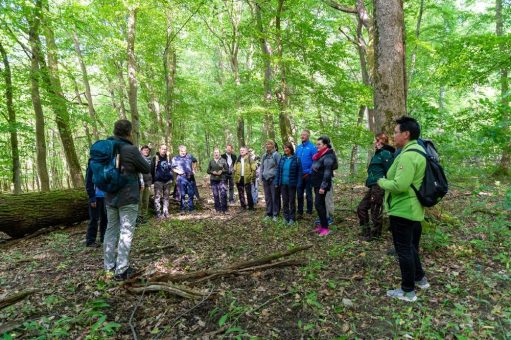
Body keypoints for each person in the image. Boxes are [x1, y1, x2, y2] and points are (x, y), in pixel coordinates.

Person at [377, 116, 429, 302]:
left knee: (404, 250)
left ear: (406, 134)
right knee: (411, 247)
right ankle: (420, 278)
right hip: (414, 208)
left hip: (403, 209)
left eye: (396, 132)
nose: (394, 135)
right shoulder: (419, 151)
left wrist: (381, 181)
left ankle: (408, 291)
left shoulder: (408, 155)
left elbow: (400, 185)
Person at [103, 119, 151, 280]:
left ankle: (109, 268)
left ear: (114, 131)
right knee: (126, 232)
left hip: (110, 196)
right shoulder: (131, 149)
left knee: (110, 230)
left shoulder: (105, 148)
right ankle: (121, 270)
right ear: (129, 133)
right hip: (128, 196)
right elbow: (146, 167)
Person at [357, 133, 395, 241]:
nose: (375, 142)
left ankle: (375, 235)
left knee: (375, 210)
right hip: (373, 186)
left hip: (380, 185)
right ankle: (366, 231)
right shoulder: (377, 154)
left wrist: (386, 184)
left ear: (381, 141)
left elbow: (390, 171)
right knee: (361, 208)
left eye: (376, 140)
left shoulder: (386, 154)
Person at [311, 136, 338, 236]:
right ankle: (322, 226)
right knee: (320, 205)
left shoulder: (328, 156)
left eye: (319, 144)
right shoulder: (320, 155)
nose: (317, 146)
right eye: (316, 144)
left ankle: (325, 229)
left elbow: (327, 173)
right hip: (317, 184)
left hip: (322, 185)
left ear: (325, 145)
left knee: (319, 204)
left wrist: (323, 186)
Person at [275, 142, 302, 225]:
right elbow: (278, 171)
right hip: (283, 184)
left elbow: (300, 173)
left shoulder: (296, 159)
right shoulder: (282, 159)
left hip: (292, 184)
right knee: (285, 201)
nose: (285, 149)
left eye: (287, 148)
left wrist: (299, 184)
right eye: (284, 148)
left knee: (292, 201)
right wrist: (277, 182)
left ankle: (292, 218)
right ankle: (285, 218)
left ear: (291, 149)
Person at [85, 159, 107, 247]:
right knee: (94, 219)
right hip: (95, 196)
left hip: (105, 196)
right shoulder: (92, 164)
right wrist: (92, 198)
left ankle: (104, 237)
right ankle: (90, 241)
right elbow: (88, 182)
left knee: (105, 218)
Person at [296, 130, 317, 219]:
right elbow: (295, 160)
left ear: (308, 136)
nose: (302, 136)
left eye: (304, 135)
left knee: (308, 194)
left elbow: (315, 161)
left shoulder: (312, 147)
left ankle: (309, 212)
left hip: (308, 175)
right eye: (301, 135)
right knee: (299, 194)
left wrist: (309, 172)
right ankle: (300, 212)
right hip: (299, 175)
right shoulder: (299, 147)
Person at [260, 140, 281, 222]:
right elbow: (261, 167)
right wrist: (261, 178)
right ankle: (269, 213)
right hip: (265, 179)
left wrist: (277, 180)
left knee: (275, 197)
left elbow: (279, 168)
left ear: (273, 145)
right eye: (266, 144)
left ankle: (275, 214)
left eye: (269, 144)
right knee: (268, 197)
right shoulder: (264, 156)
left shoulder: (276, 155)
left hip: (273, 179)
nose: (267, 145)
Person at [151, 144, 173, 219]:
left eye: (165, 149)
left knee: (166, 197)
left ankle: (165, 212)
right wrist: (153, 180)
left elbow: (171, 168)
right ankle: (158, 213)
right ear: (159, 149)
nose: (164, 150)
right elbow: (151, 169)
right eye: (162, 149)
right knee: (157, 197)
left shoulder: (168, 158)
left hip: (167, 180)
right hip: (158, 181)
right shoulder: (155, 158)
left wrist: (171, 178)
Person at [171, 145, 195, 213]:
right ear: (179, 151)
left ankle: (191, 209)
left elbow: (195, 161)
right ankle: (182, 209)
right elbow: (172, 168)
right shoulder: (175, 158)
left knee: (191, 193)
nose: (183, 152)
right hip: (181, 178)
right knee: (182, 194)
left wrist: (193, 169)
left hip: (190, 177)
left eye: (184, 151)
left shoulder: (189, 156)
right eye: (182, 151)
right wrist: (178, 171)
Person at [207, 148, 229, 213]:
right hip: (213, 180)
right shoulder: (211, 161)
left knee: (223, 194)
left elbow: (227, 170)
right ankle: (217, 209)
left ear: (219, 153)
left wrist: (222, 171)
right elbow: (208, 170)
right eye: (215, 152)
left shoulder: (223, 160)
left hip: (222, 179)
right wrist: (212, 172)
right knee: (215, 195)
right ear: (213, 153)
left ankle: (224, 209)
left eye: (217, 152)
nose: (216, 153)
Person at [137, 145, 152, 224]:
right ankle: (138, 217)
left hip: (148, 182)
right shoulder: (139, 158)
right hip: (140, 183)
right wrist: (141, 181)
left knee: (146, 200)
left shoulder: (150, 159)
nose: (146, 151)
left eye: (147, 150)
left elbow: (151, 171)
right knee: (139, 200)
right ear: (141, 151)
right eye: (145, 150)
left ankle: (144, 216)